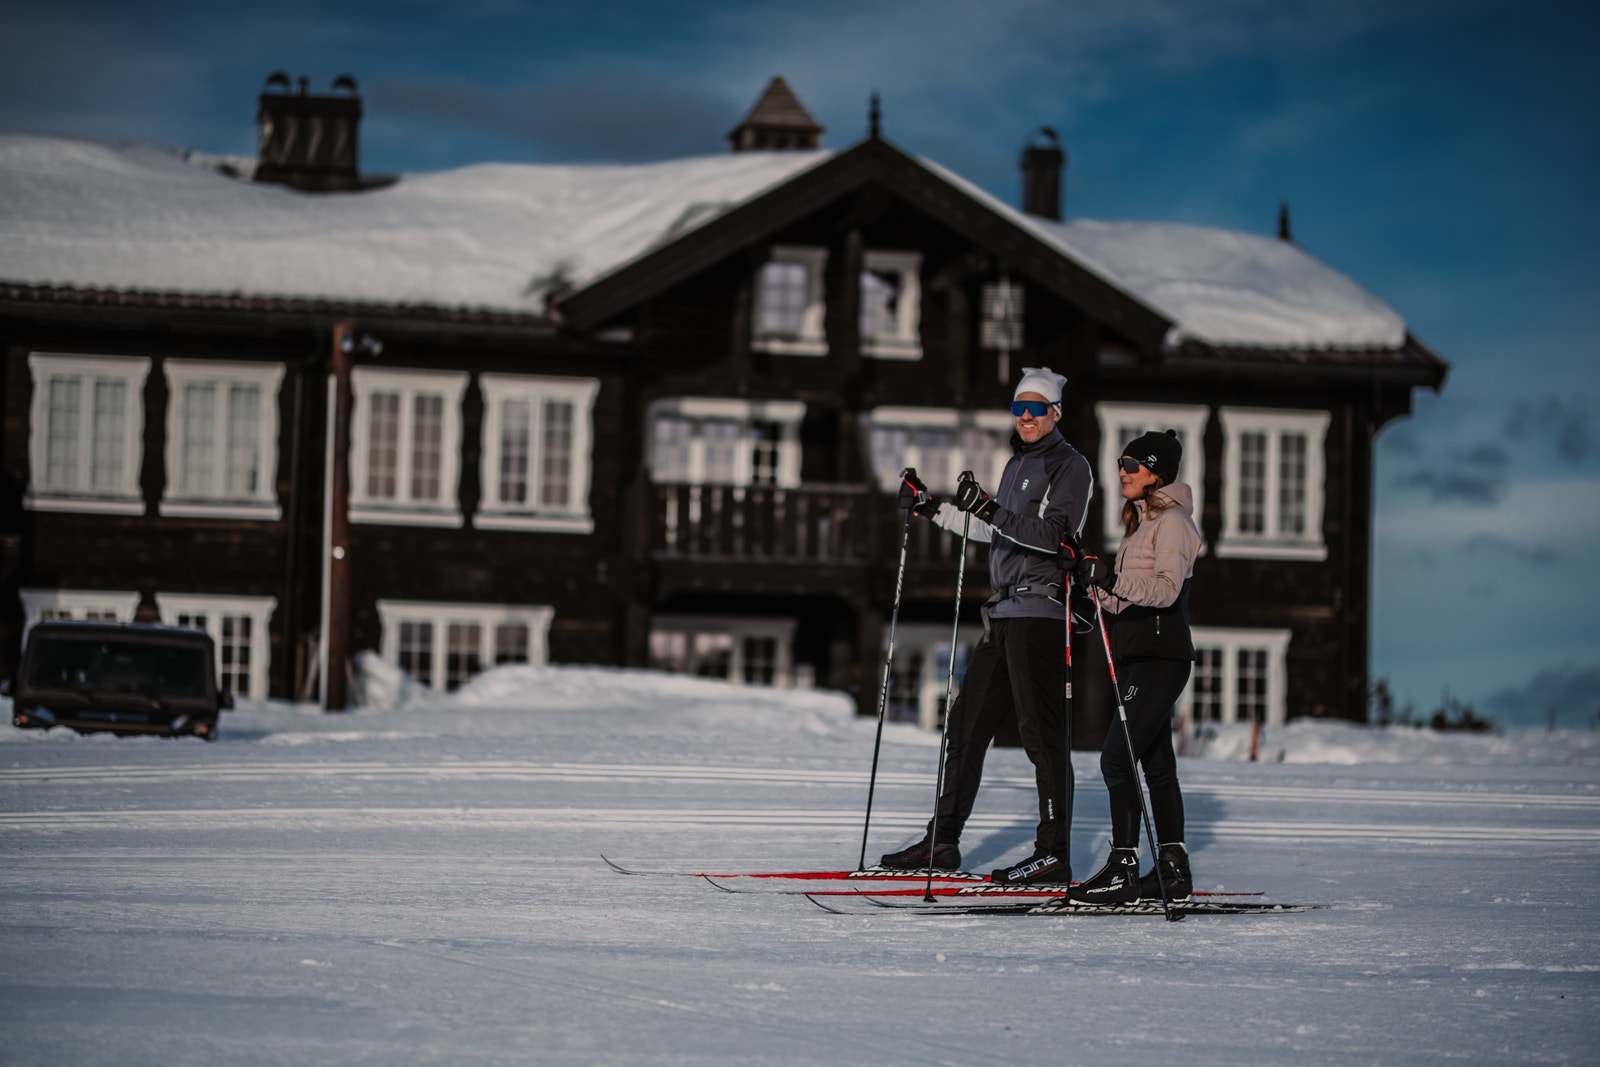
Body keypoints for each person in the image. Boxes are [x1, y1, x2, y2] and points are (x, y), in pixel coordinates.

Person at [880, 367, 1093, 885]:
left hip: (1040, 614)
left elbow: (1053, 536)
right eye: (1018, 408)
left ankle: (1054, 853)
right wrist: (933, 508)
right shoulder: (1018, 463)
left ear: (1055, 413)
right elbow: (991, 528)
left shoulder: (1071, 466)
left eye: (1035, 408)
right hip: (1001, 615)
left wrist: (992, 509)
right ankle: (943, 841)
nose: (1025, 416)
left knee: (1040, 735)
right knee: (966, 725)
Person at [1068, 429, 1202, 903]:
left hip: (1160, 658)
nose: (1122, 472)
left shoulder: (1173, 523)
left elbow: (1164, 591)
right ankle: (1172, 869)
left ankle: (1123, 865)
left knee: (1116, 759)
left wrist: (1114, 579)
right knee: (1156, 764)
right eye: (1120, 464)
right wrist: (1093, 583)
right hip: (1138, 656)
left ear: (1155, 472)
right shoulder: (1142, 523)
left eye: (1131, 465)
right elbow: (1125, 600)